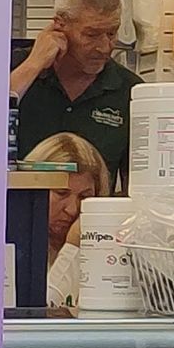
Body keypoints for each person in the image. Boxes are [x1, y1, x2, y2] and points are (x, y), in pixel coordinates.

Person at [9, 0, 135, 187]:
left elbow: (136, 189)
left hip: (92, 218)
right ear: (60, 25)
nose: (104, 47)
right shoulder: (12, 68)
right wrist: (33, 65)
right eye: (91, 35)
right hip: (14, 214)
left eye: (112, 33)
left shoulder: (130, 91)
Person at [22, 131, 112, 312]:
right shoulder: (14, 247)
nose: (72, 209)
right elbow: (41, 313)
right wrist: (72, 247)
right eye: (61, 193)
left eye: (84, 196)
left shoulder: (107, 253)